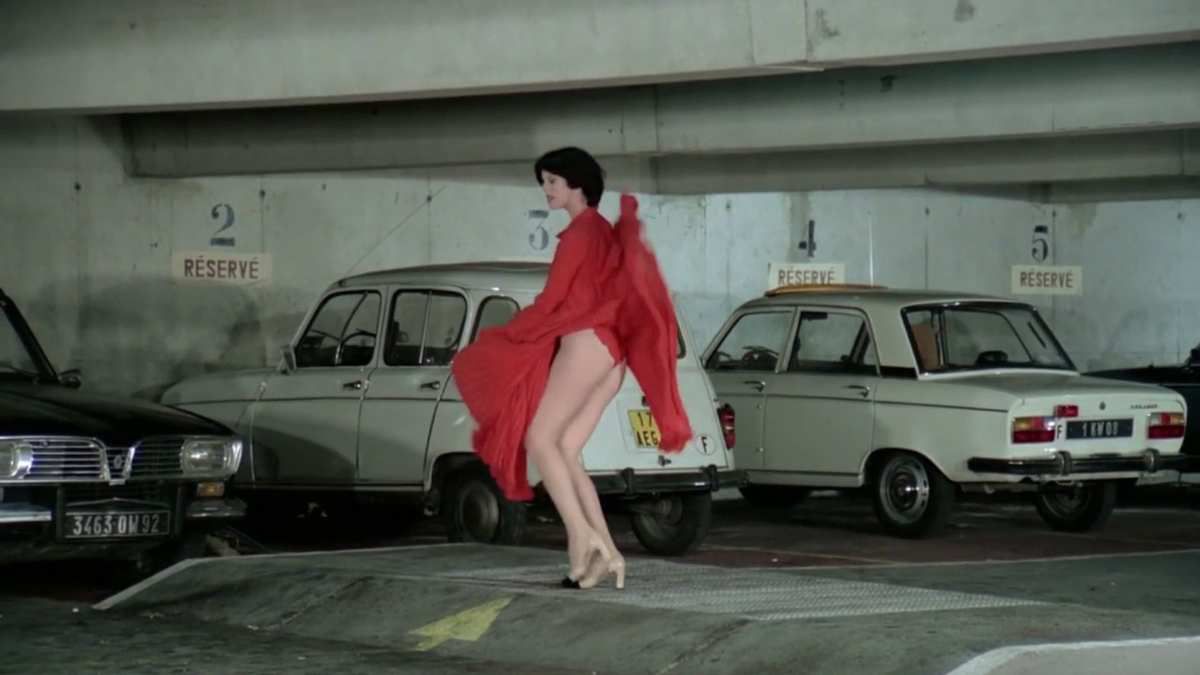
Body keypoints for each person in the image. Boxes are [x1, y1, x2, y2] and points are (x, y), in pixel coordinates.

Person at [450, 146, 693, 590]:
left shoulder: (579, 236)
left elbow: (552, 302)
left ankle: (582, 538)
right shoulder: (601, 231)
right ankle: (606, 555)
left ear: (576, 185)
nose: (546, 190)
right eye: (544, 182)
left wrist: (510, 333)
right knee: (564, 449)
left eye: (552, 182)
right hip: (611, 354)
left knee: (539, 440)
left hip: (586, 344)